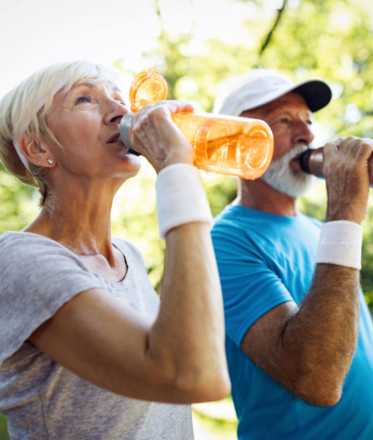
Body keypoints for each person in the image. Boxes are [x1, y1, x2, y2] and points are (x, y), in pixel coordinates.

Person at [0, 61, 230, 440]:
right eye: (85, 99)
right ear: (39, 148)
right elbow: (193, 374)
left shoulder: (129, 257)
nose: (121, 112)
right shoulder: (19, 261)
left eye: (119, 99)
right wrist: (176, 169)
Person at [211, 69, 373, 439]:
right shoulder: (225, 241)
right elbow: (317, 379)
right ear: (234, 143)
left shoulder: (321, 231)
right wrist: (346, 211)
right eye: (284, 121)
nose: (307, 135)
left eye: (308, 120)